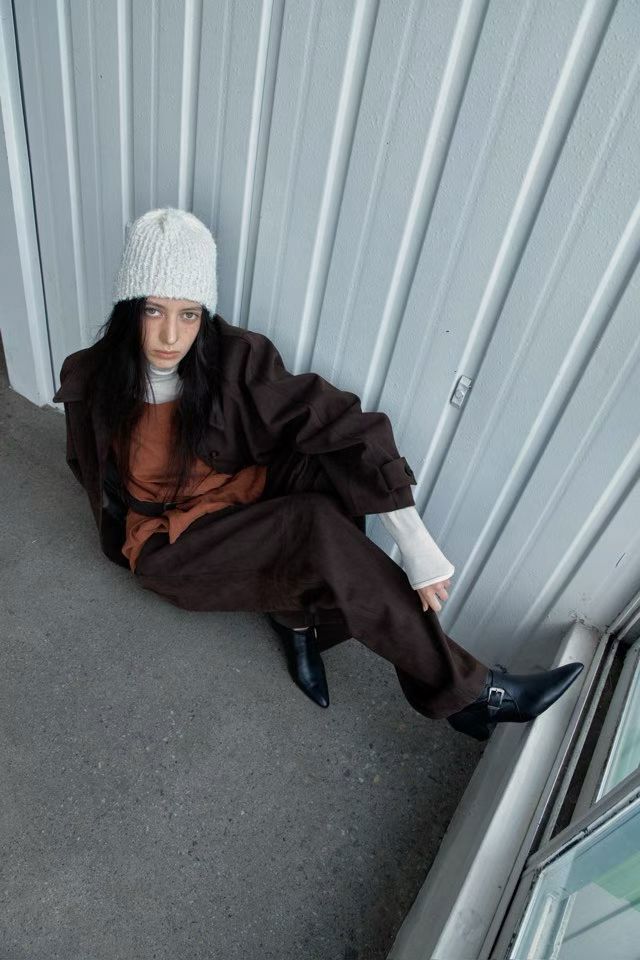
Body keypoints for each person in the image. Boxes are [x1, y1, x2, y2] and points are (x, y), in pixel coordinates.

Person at [52, 208, 583, 742]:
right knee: (311, 524)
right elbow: (88, 470)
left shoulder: (232, 357)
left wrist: (414, 542)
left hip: (239, 496)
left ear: (204, 316)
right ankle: (471, 691)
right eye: (154, 310)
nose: (171, 335)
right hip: (172, 542)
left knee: (327, 463)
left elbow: (336, 421)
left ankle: (299, 619)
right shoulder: (91, 380)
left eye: (189, 315)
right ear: (129, 308)